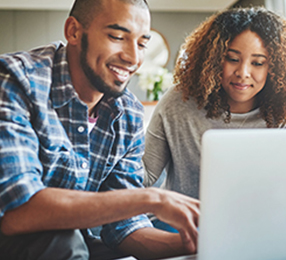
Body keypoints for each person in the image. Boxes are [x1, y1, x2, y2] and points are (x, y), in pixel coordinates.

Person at [0, 0, 199, 259]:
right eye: (117, 37)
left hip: (70, 241)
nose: (133, 58)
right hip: (14, 238)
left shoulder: (128, 114)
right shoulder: (16, 80)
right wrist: (152, 199)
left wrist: (197, 244)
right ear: (73, 31)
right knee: (65, 241)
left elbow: (125, 228)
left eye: (141, 44)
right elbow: (17, 212)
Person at [143, 7, 286, 229]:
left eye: (258, 63)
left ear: (274, 68)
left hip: (262, 222)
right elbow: (146, 175)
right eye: (232, 59)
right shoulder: (178, 102)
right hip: (186, 224)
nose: (243, 72)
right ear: (214, 58)